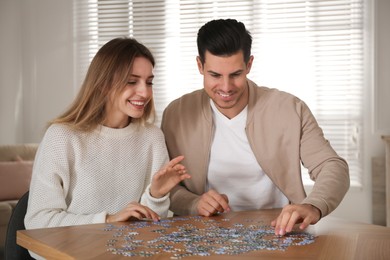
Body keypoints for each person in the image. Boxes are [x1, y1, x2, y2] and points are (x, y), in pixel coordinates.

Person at [161, 19, 350, 236]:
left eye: (235, 74)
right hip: (203, 234)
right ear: (199, 66)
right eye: (214, 75)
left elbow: (332, 166)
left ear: (249, 65)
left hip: (278, 230)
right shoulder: (176, 114)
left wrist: (313, 205)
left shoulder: (290, 109)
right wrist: (194, 203)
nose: (225, 87)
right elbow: (165, 187)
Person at [25, 37, 191, 231]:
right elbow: (38, 221)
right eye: (132, 81)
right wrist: (108, 219)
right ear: (103, 84)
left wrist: (156, 195)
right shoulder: (62, 137)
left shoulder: (152, 138)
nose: (144, 92)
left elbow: (148, 228)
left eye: (149, 82)